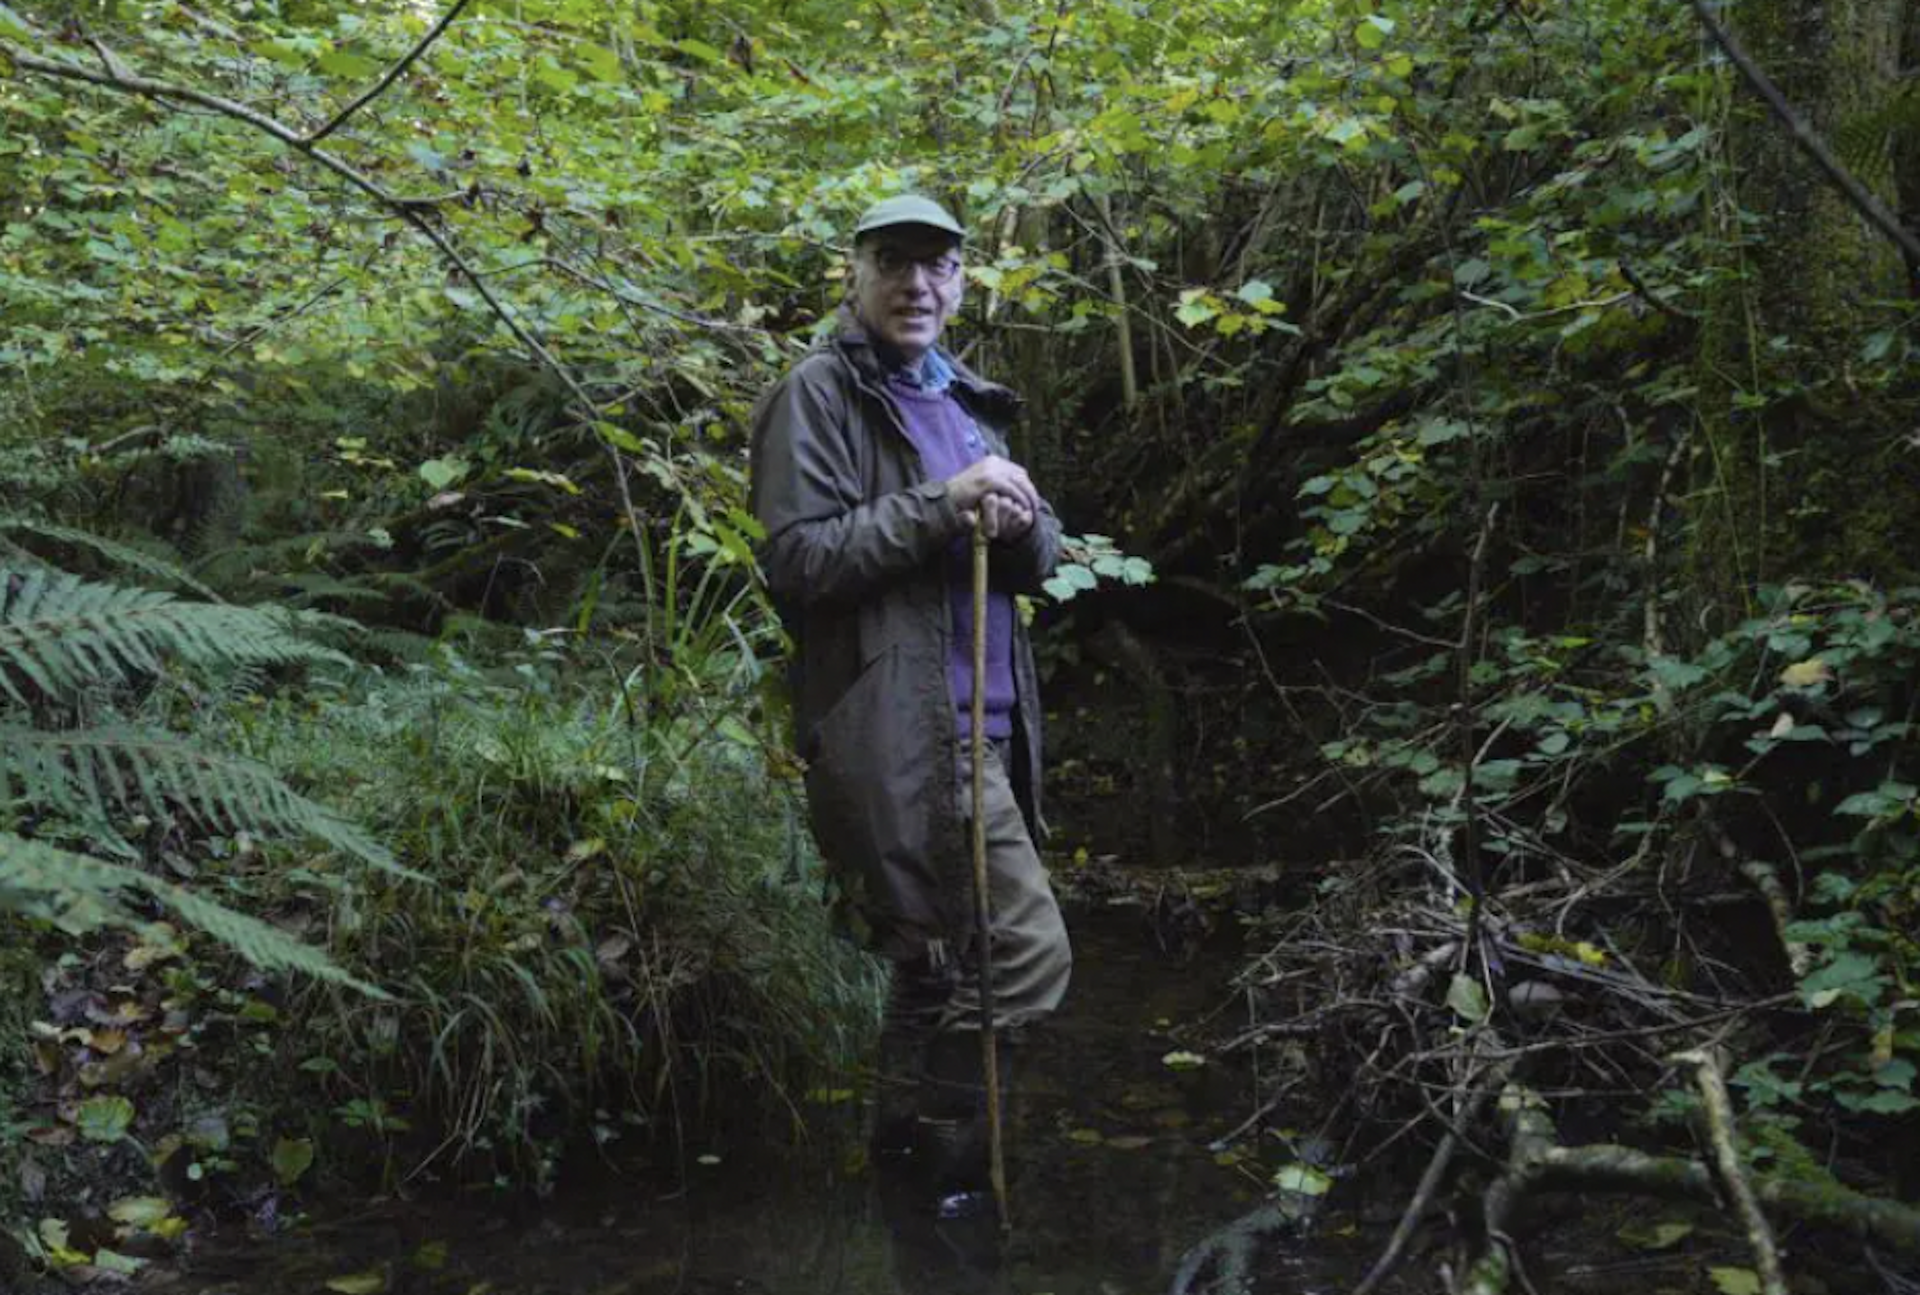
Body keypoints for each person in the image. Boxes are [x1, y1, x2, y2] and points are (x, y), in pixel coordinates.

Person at [748, 194, 1072, 1195]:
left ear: (963, 282)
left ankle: (901, 1185)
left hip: (992, 717)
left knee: (933, 961)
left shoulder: (971, 403)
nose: (916, 285)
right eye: (895, 264)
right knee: (1027, 957)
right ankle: (952, 1161)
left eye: (937, 268)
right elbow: (797, 562)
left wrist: (1018, 522)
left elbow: (1040, 556)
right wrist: (944, 502)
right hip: (903, 725)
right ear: (856, 274)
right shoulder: (817, 394)